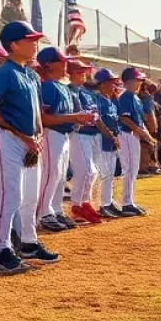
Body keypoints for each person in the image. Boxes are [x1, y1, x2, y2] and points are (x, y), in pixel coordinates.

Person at [0, 20, 59, 273]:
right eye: (29, 40)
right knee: (9, 197)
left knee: (30, 197)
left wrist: (36, 137)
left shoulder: (30, 74)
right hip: (8, 140)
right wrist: (14, 130)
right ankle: (1, 250)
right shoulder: (6, 72)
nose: (35, 44)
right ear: (13, 45)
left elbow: (36, 112)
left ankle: (29, 243)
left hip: (29, 142)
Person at [36, 47, 94, 232]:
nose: (65, 64)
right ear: (48, 64)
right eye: (61, 61)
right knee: (50, 175)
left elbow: (67, 115)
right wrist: (74, 117)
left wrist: (78, 119)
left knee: (60, 176)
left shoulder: (61, 86)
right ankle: (44, 214)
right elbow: (44, 119)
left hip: (64, 135)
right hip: (50, 134)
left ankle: (55, 210)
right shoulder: (46, 86)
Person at [66, 58, 104, 224]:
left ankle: (84, 202)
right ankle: (76, 205)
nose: (85, 74)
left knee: (92, 171)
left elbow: (94, 114)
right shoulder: (69, 90)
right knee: (85, 170)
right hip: (78, 133)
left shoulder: (86, 92)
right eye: (81, 72)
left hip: (92, 134)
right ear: (72, 73)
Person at [116, 67, 155, 217]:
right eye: (137, 80)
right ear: (129, 81)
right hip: (126, 135)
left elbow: (139, 120)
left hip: (134, 136)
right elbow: (124, 119)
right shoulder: (125, 96)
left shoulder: (135, 97)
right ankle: (126, 203)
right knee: (129, 169)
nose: (140, 82)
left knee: (133, 169)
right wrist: (141, 132)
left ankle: (129, 201)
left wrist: (147, 135)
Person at [91, 69, 124, 218]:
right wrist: (111, 136)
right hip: (103, 140)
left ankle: (108, 202)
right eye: (111, 83)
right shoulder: (98, 100)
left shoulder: (110, 101)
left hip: (111, 140)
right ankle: (103, 205)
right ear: (103, 84)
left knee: (110, 173)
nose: (114, 86)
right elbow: (99, 122)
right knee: (104, 173)